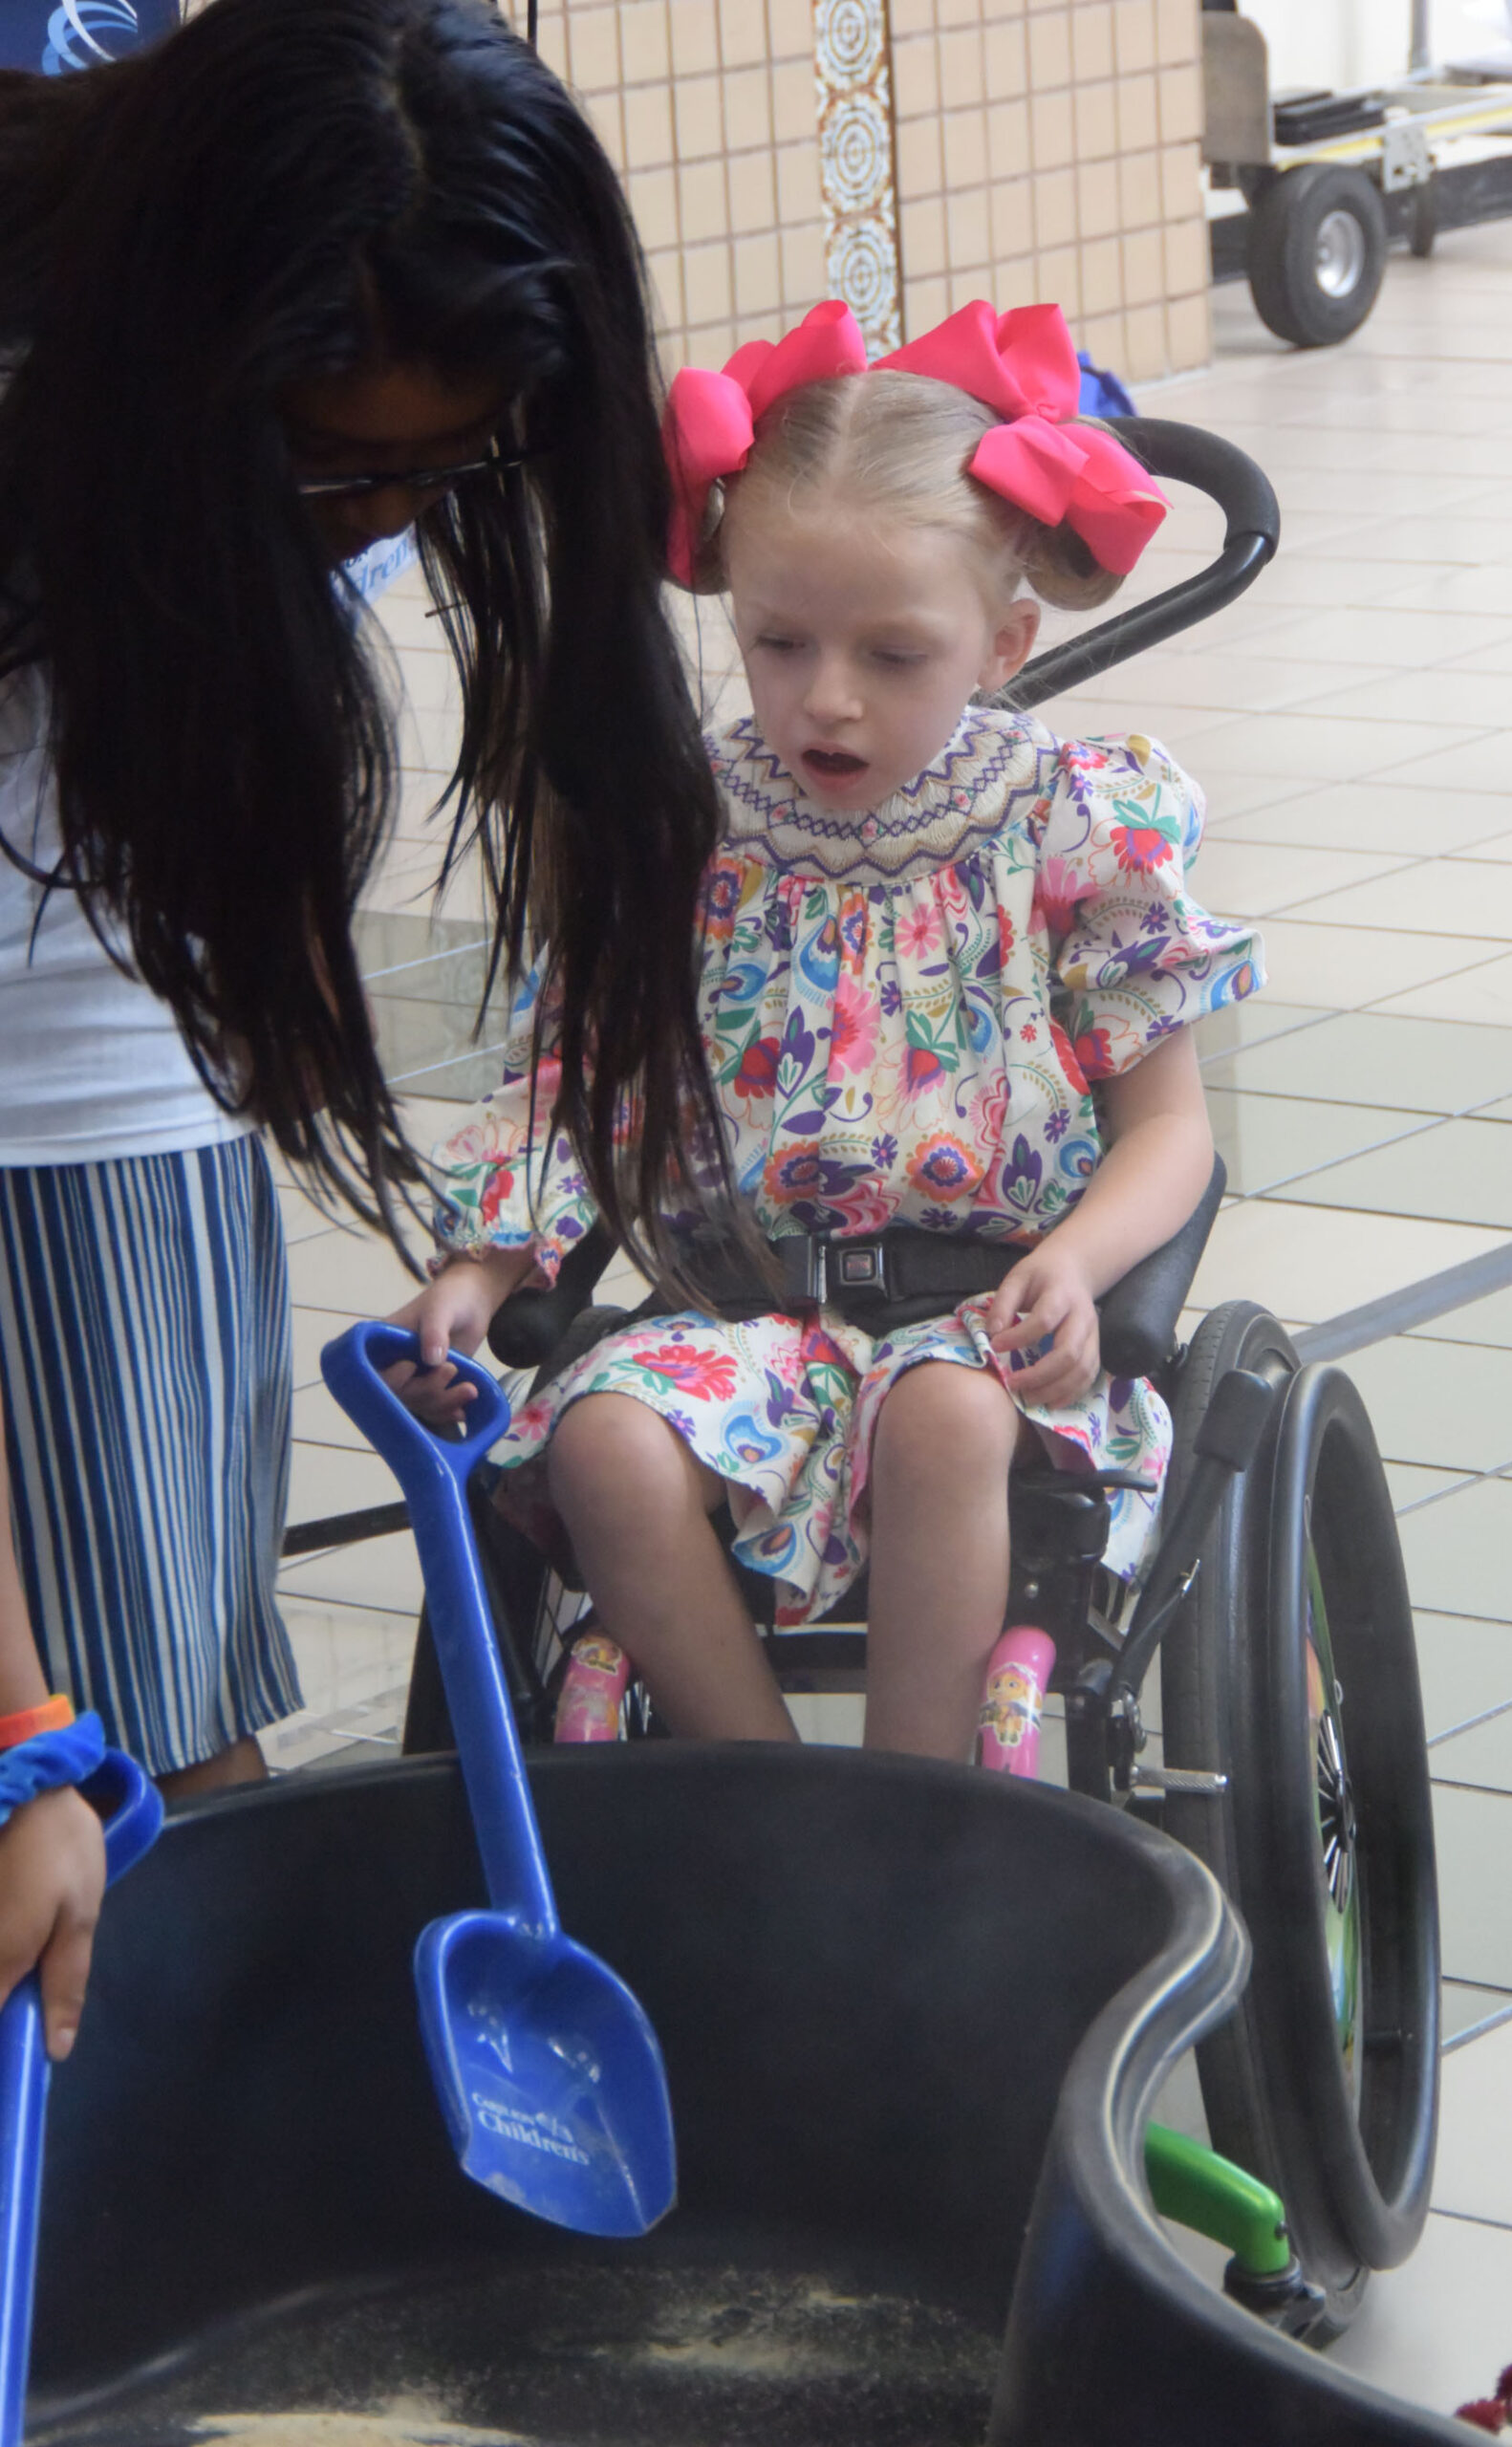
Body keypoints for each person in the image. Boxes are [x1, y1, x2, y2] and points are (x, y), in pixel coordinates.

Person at [0, 0, 727, 2056]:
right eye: (330, 462)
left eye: (440, 468)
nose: (373, 519)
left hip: (122, 1116)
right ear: (180, 372)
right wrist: (25, 1722)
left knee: (165, 1747)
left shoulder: (226, 375)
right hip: (46, 1138)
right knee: (120, 1798)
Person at [395, 299, 1264, 1762]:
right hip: (735, 1315)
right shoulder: (683, 831)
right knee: (603, 1439)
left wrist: (1074, 1264)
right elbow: (571, 1080)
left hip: (983, 1318)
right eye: (778, 642)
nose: (827, 698)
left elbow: (1169, 1131)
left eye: (893, 655)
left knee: (940, 1420)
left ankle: (912, 1811)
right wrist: (487, 1264)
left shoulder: (1065, 822)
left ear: (1002, 643)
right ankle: (766, 1799)